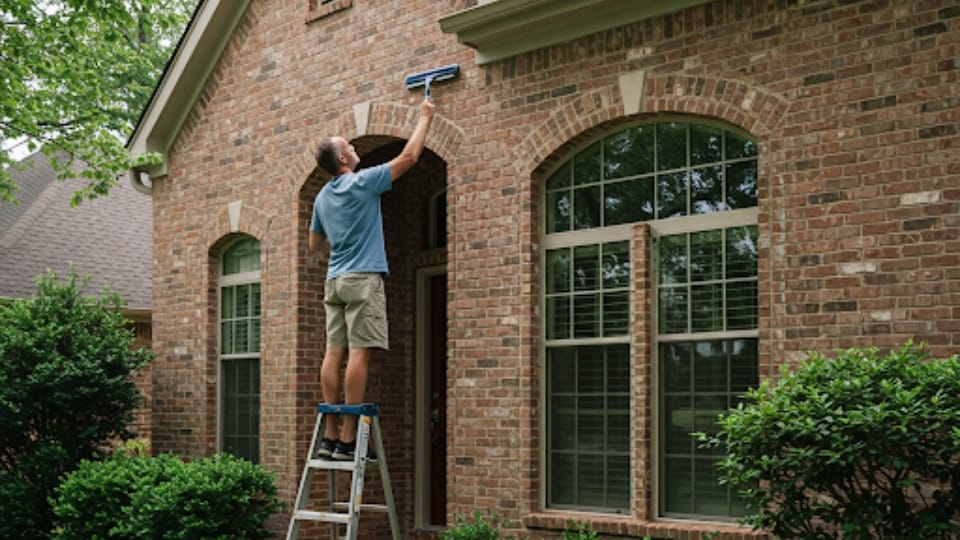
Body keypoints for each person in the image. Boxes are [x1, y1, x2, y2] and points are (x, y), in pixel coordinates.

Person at [309, 96, 435, 460]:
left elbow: (315, 243)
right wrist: (424, 116)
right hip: (362, 278)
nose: (352, 145)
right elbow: (409, 158)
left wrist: (340, 230)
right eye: (348, 144)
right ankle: (349, 440)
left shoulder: (320, 198)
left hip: (334, 281)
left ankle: (330, 436)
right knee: (359, 354)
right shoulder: (362, 183)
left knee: (334, 352)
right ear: (343, 159)